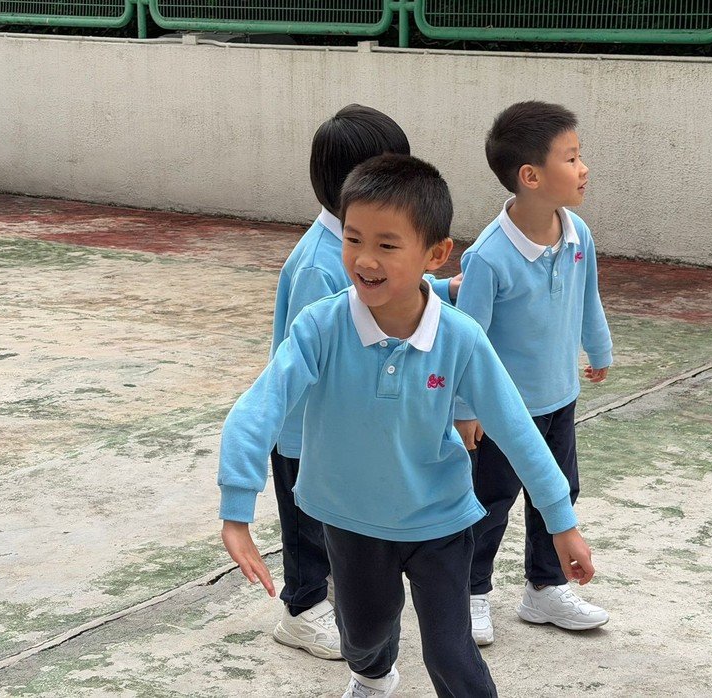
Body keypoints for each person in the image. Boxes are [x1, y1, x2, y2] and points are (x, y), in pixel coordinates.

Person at [218, 154, 597, 697]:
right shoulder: (320, 327)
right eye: (353, 239)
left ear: (436, 254)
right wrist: (236, 509)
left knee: (451, 649)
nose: (365, 259)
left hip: (439, 518)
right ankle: (373, 678)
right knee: (364, 637)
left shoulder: (460, 338)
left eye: (387, 245)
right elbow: (260, 408)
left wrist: (561, 521)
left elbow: (517, 430)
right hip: (351, 519)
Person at [266, 104, 458, 660]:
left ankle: (335, 595)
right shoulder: (320, 265)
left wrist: (441, 290)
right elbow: (309, 357)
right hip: (309, 429)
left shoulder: (359, 249)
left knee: (336, 522)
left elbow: (383, 302)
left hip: (348, 426)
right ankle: (301, 609)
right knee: (306, 525)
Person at [454, 101, 613, 646]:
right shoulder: (488, 257)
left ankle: (545, 588)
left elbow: (588, 296)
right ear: (531, 176)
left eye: (580, 155)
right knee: (490, 503)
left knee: (559, 491)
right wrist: (466, 409)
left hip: (559, 397)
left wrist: (598, 347)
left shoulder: (578, 234)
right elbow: (466, 339)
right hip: (502, 412)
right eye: (571, 158)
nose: (584, 168)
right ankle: (471, 591)